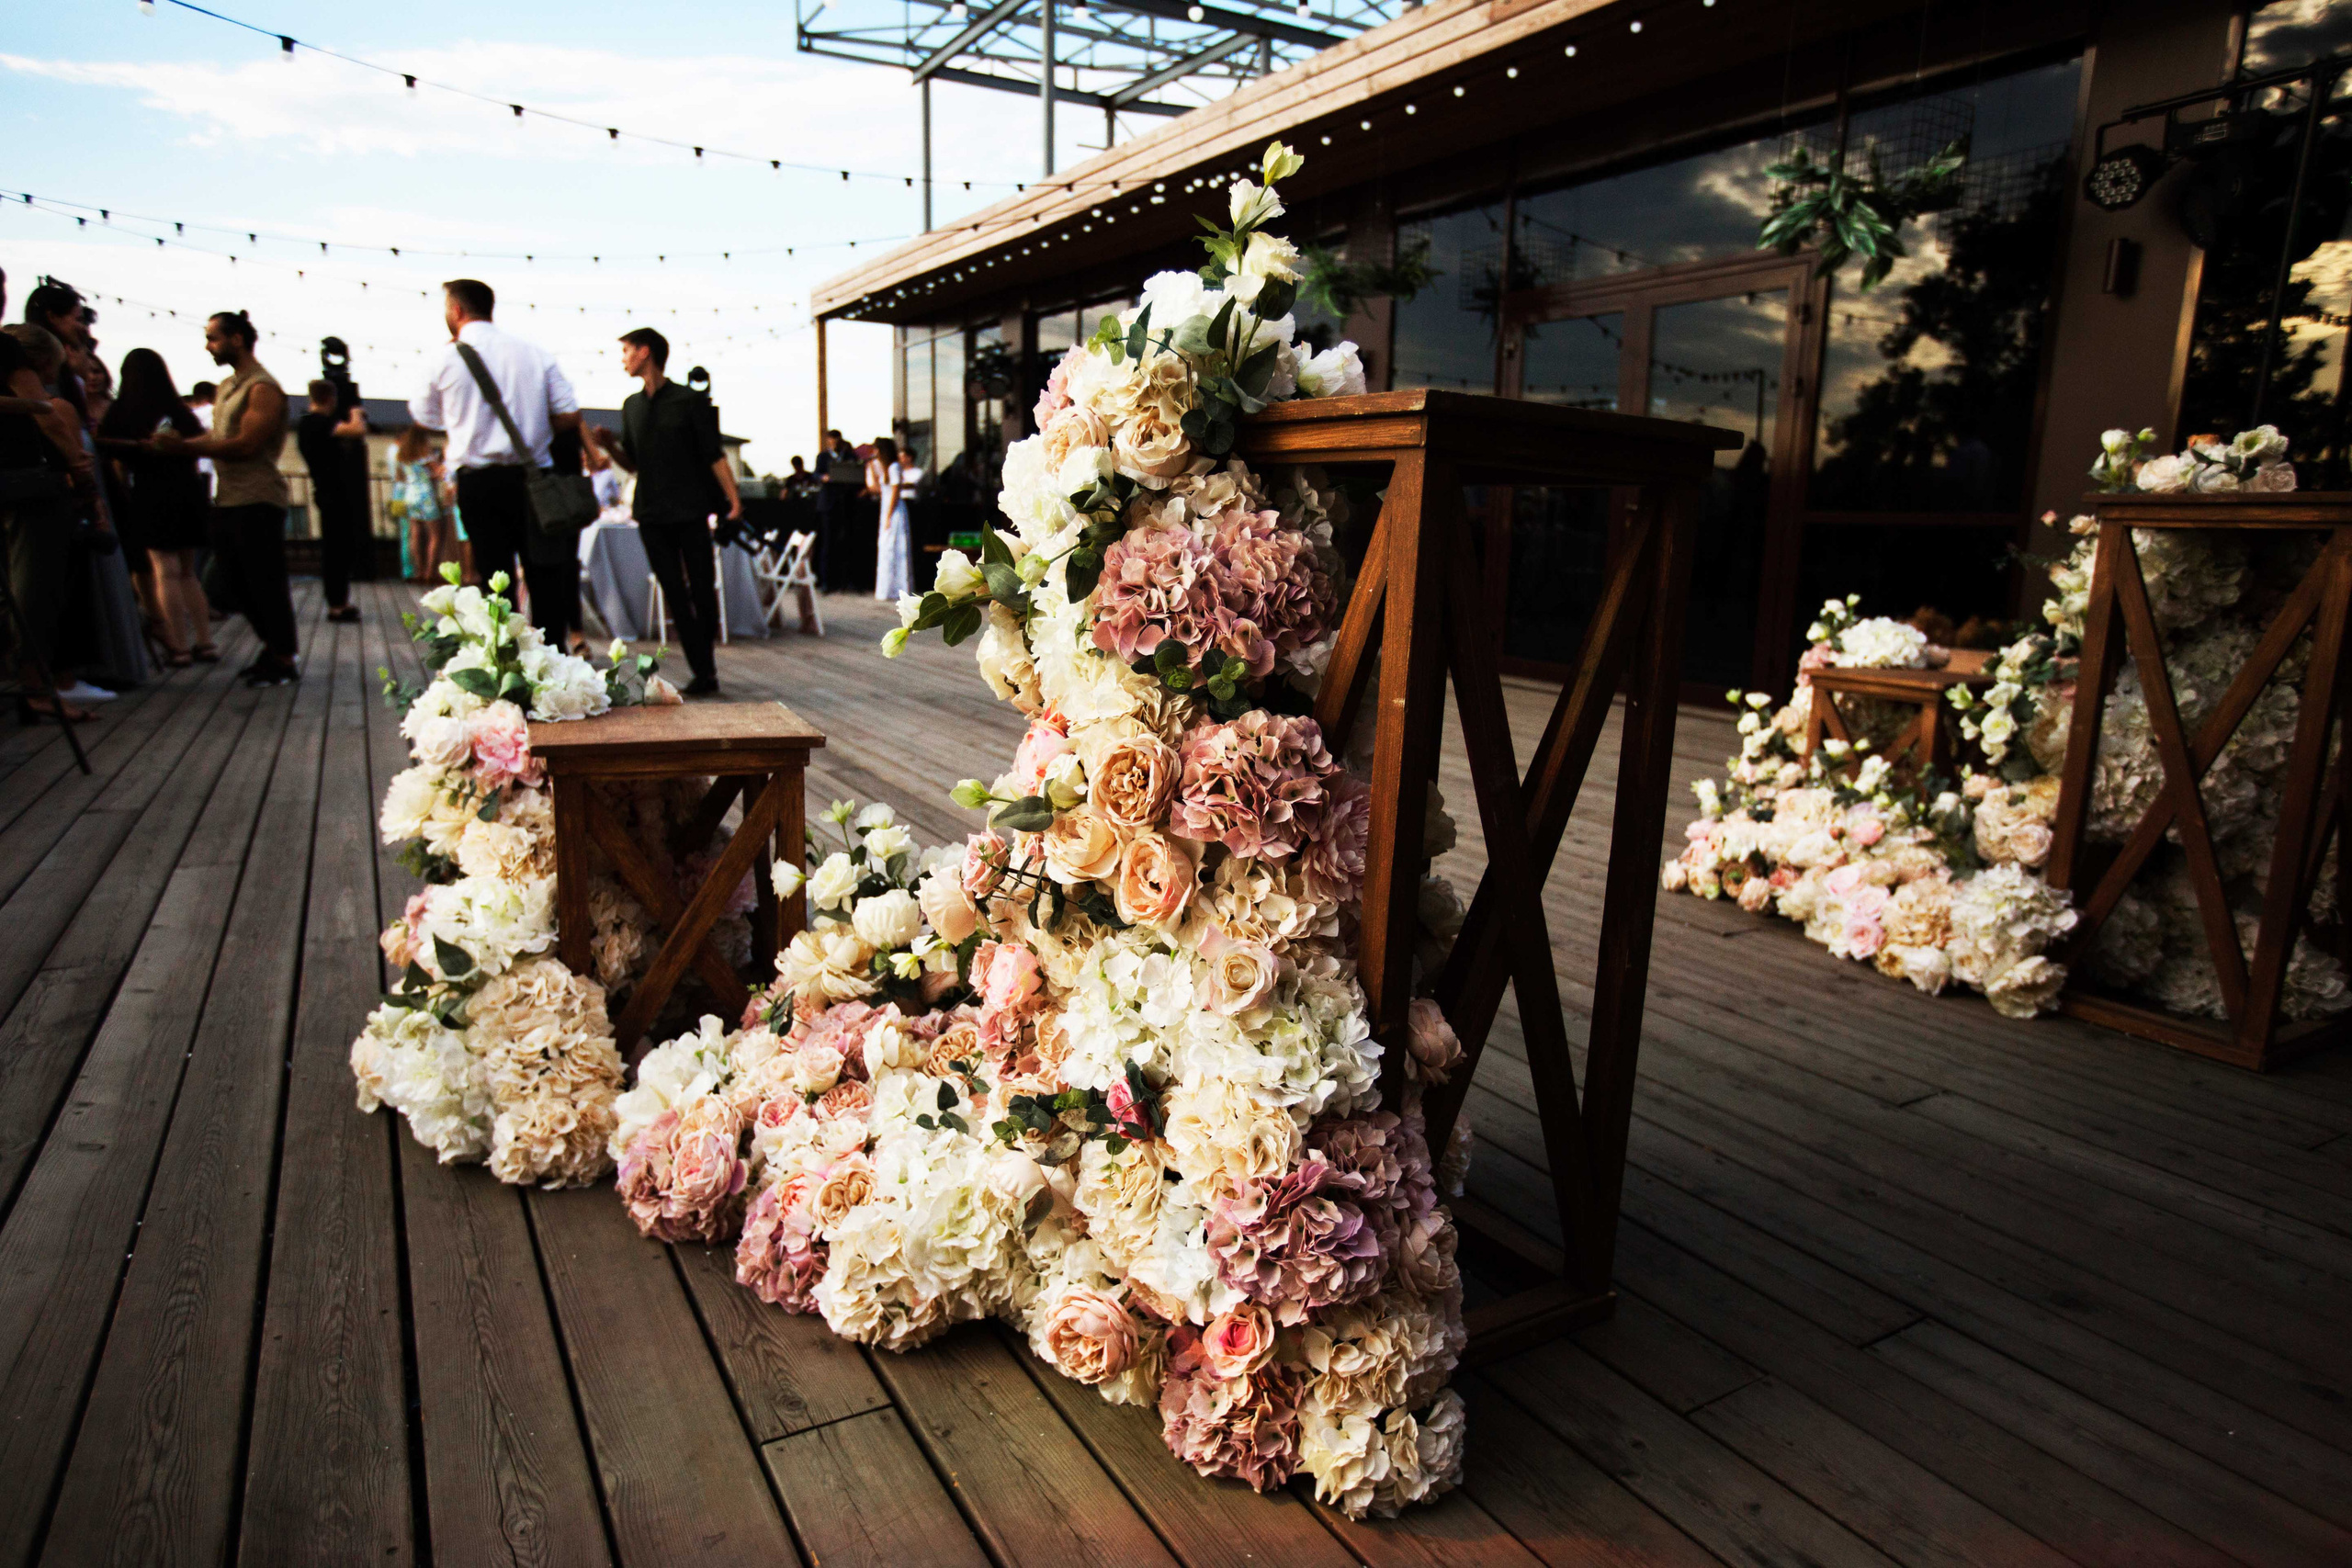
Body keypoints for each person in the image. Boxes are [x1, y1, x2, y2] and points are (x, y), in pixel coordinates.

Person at [407, 278, 585, 640]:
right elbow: (569, 413)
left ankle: (508, 661)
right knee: (545, 575)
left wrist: (463, 423)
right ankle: (554, 664)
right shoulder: (533, 353)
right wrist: (534, 425)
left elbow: (425, 417)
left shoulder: (444, 358)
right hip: (533, 480)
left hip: (478, 481)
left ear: (456, 310)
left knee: (494, 580)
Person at [588, 325, 737, 696]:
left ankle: (708, 669)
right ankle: (704, 671)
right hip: (652, 514)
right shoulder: (632, 406)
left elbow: (714, 454)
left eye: (625, 351)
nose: (622, 359)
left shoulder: (688, 400)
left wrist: (735, 500)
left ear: (645, 352)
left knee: (702, 589)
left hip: (689, 510)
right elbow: (636, 464)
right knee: (674, 590)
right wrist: (611, 446)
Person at [155, 310, 298, 686]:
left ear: (237, 339)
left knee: (264, 581)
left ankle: (283, 656)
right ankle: (273, 648)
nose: (208, 346)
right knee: (232, 583)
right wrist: (179, 445)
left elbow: (247, 445)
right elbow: (218, 439)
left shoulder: (262, 388)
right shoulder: (227, 387)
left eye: (213, 338)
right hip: (229, 498)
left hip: (258, 498)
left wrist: (182, 449)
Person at [1, 274, 103, 723]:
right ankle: (36, 687)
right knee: (36, 589)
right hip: (22, 481)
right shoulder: (7, 353)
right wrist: (77, 466)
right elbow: (42, 410)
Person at [96, 348, 216, 664]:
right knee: (189, 572)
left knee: (165, 571)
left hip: (149, 491)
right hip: (187, 490)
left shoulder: (123, 411)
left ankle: (177, 646)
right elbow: (199, 444)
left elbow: (109, 451)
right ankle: (205, 642)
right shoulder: (178, 410)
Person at [296, 378, 369, 624]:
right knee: (337, 549)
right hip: (333, 493)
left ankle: (339, 601)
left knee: (339, 547)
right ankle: (337, 604)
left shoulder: (308, 424)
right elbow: (357, 430)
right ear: (330, 399)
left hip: (328, 491)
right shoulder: (316, 422)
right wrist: (356, 413)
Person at [389, 424, 456, 585]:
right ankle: (430, 572)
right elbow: (439, 472)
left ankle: (418, 570)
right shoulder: (425, 454)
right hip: (426, 496)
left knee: (415, 534)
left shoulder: (402, 455)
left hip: (410, 495)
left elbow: (400, 477)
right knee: (434, 535)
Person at [866, 434, 916, 603]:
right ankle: (887, 589)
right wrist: (872, 471)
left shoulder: (894, 466)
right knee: (886, 548)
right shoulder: (885, 468)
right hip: (886, 507)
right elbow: (876, 490)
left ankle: (898, 588)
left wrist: (888, 515)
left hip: (894, 510)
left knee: (894, 546)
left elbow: (895, 491)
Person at [813, 428, 862, 591]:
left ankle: (848, 581)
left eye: (836, 440)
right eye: (831, 440)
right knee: (828, 542)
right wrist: (823, 477)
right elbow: (816, 474)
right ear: (828, 441)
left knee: (848, 542)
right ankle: (826, 581)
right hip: (828, 504)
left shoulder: (848, 456)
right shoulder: (823, 457)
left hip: (846, 503)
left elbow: (857, 472)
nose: (834, 443)